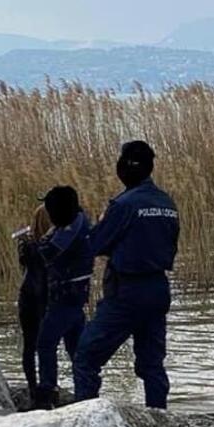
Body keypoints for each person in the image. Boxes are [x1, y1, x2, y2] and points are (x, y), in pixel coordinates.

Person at [73, 140, 180, 409]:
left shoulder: (124, 204)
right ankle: (160, 420)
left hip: (127, 291)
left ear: (125, 166)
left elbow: (95, 244)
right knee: (151, 363)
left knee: (86, 357)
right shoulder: (166, 202)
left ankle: (87, 423)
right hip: (158, 289)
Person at [31, 186, 94, 409]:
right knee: (76, 348)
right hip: (72, 296)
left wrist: (33, 249)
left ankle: (47, 394)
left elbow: (51, 251)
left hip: (67, 295)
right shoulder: (76, 221)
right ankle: (85, 395)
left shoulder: (71, 227)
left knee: (46, 343)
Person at [16, 203, 51, 402]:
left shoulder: (28, 245)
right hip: (47, 296)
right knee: (49, 345)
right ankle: (49, 387)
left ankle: (33, 390)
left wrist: (22, 241)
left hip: (28, 296)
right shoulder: (56, 243)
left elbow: (24, 263)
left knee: (29, 346)